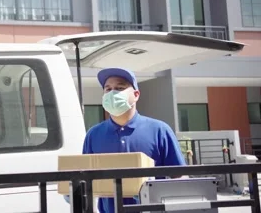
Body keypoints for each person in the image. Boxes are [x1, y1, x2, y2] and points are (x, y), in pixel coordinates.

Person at [68, 67, 186, 213]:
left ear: (136, 95)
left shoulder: (159, 130)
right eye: (108, 89)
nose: (112, 93)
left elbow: (179, 176)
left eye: (119, 88)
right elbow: (86, 180)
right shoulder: (94, 134)